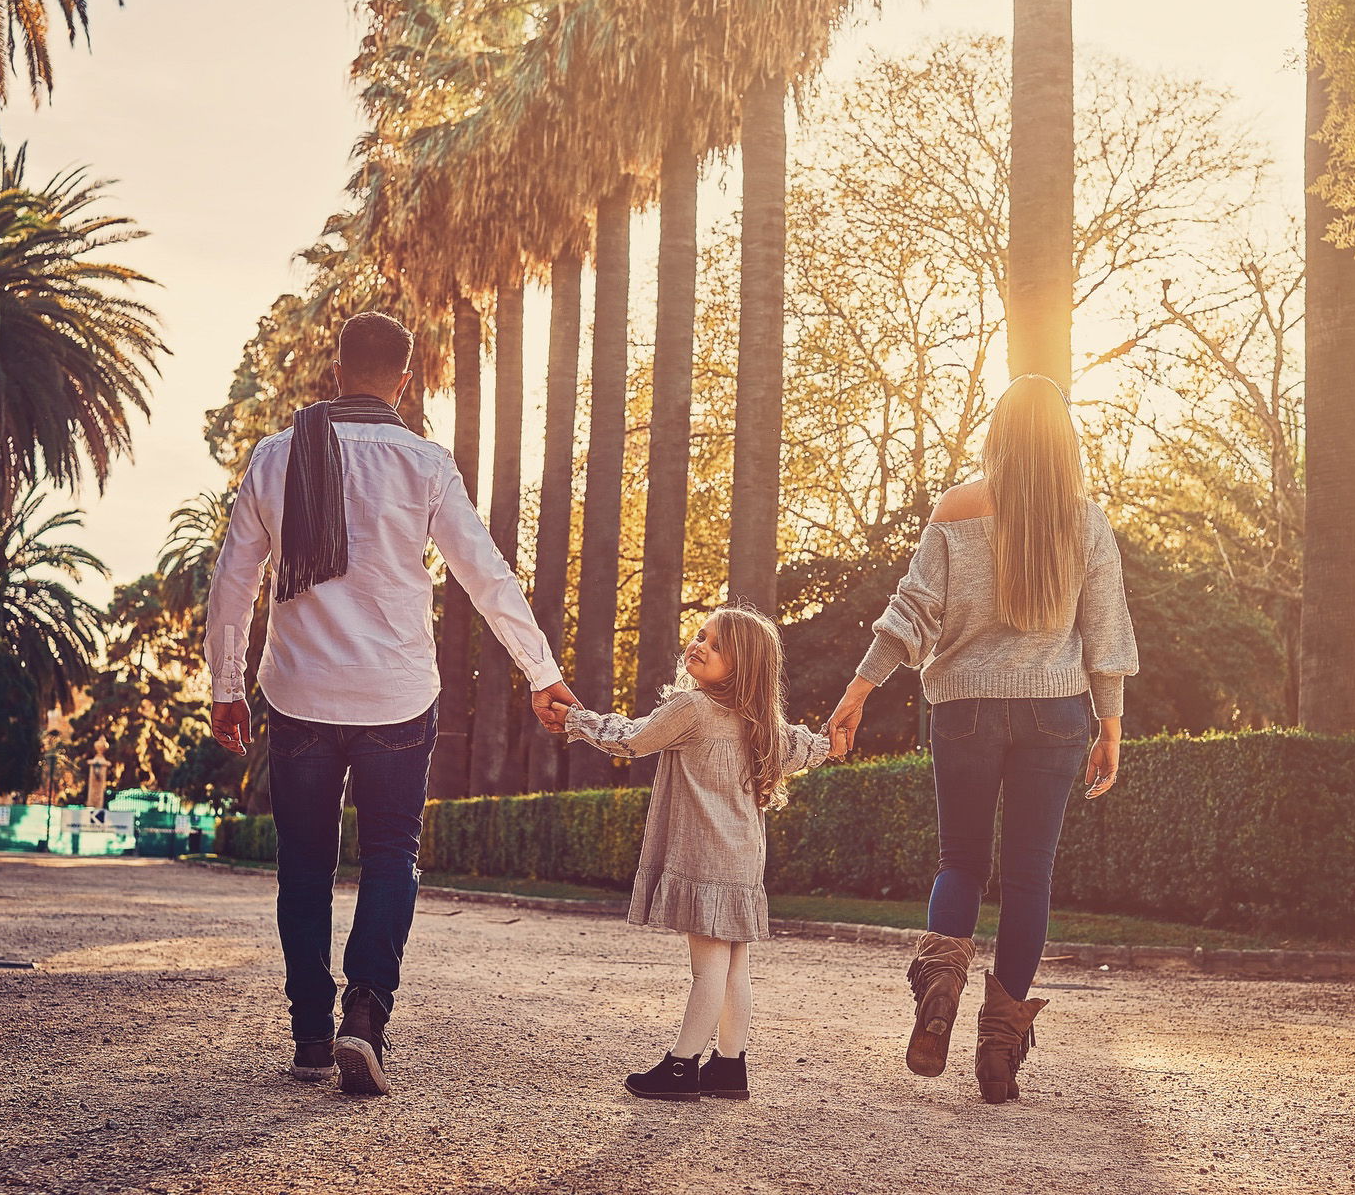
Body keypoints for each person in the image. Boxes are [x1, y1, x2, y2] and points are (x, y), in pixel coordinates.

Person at [206, 312, 576, 1096]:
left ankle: (310, 1027)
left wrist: (226, 687)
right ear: (405, 381)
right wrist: (540, 670)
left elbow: (233, 582)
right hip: (398, 698)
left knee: (303, 864)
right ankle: (364, 1012)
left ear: (335, 368)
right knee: (390, 856)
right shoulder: (424, 463)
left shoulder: (276, 457)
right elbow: (486, 574)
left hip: (300, 695)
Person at [827, 374, 1138, 1104]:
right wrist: (1111, 725)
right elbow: (1106, 631)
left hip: (963, 708)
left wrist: (858, 688)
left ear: (997, 434)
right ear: (1064, 439)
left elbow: (912, 613)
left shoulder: (957, 507)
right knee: (1029, 878)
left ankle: (940, 986)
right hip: (1055, 713)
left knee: (960, 862)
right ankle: (998, 1051)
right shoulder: (1085, 519)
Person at [551, 606, 829, 1102]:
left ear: (741, 665)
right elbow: (805, 747)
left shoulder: (692, 708)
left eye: (716, 644)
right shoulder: (763, 722)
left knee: (708, 970)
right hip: (744, 858)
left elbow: (633, 740)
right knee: (734, 967)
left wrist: (575, 718)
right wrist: (834, 741)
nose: (699, 645)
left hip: (705, 857)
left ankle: (681, 1067)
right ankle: (729, 1067)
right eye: (701, 635)